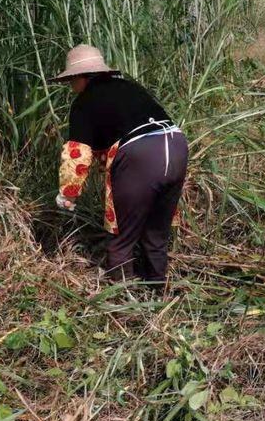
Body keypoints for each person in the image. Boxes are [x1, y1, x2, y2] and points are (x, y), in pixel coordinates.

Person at [52, 44, 188, 289]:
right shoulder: (130, 87)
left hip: (142, 155)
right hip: (177, 145)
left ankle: (124, 304)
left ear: (82, 78)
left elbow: (77, 154)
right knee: (156, 236)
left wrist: (68, 194)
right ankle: (157, 296)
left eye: (72, 81)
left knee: (120, 240)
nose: (72, 88)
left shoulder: (85, 102)